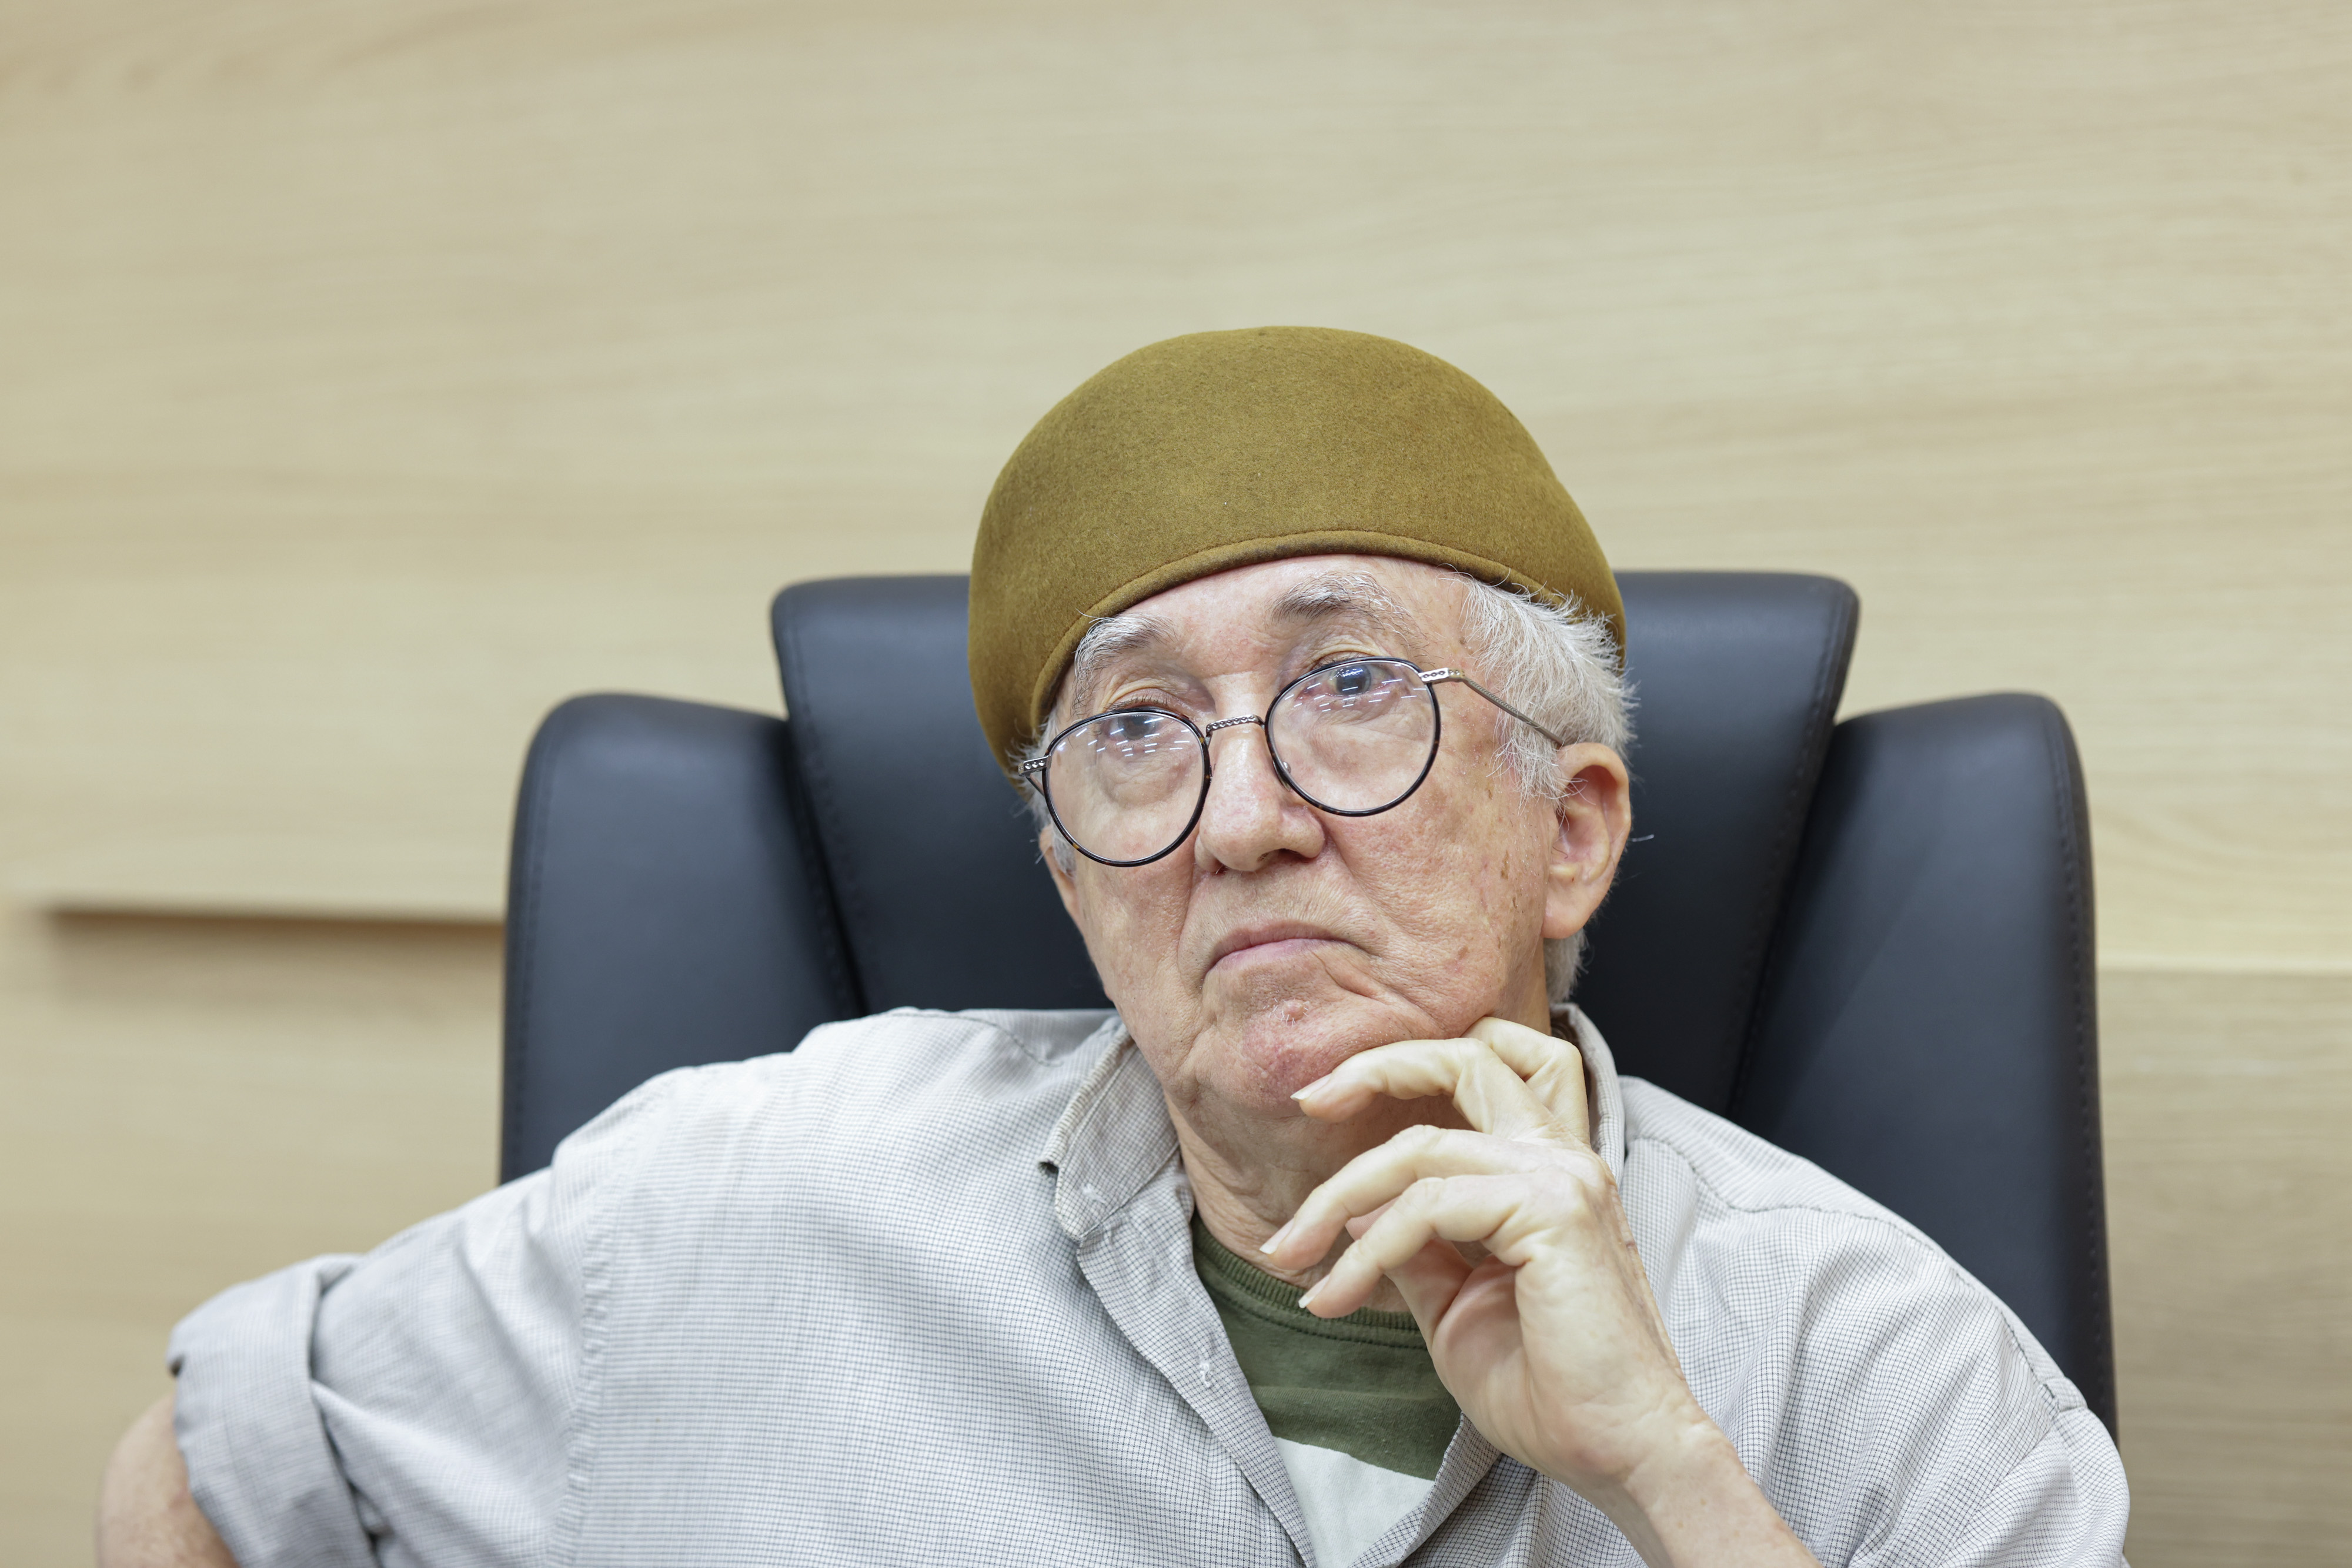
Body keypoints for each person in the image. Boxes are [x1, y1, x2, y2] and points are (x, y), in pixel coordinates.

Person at [99, 327, 2128, 1567]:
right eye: (1136, 733)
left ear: (1570, 830)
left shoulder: (1896, 1383)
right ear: (1075, 878)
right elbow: (203, 1475)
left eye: (1349, 686)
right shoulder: (731, 1202)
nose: (1238, 819)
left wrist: (1671, 1477)